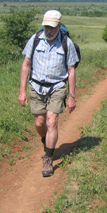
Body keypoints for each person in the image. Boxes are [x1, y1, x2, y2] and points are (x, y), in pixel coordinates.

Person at [19, 10, 79, 177]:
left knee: (51, 121)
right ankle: (47, 141)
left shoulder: (67, 43)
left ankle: (48, 157)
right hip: (36, 87)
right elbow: (26, 65)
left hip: (57, 87)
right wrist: (22, 91)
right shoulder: (36, 39)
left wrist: (72, 97)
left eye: (52, 27)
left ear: (59, 26)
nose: (49, 31)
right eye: (46, 27)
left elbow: (71, 70)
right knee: (40, 123)